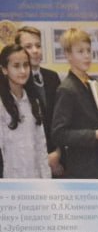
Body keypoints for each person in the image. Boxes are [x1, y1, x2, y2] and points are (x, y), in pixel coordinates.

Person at [50, 28, 98, 179]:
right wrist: (94, 135)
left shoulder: (91, 82)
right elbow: (58, 133)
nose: (87, 56)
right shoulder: (67, 89)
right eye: (80, 51)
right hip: (82, 169)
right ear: (68, 55)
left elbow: (92, 118)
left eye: (88, 50)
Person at [0, 42, 49, 178]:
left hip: (35, 180)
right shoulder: (2, 105)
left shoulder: (34, 102)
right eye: (16, 66)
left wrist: (46, 180)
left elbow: (41, 146)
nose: (22, 71)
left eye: (26, 65)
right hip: (10, 181)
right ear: (4, 69)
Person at [15, 26, 58, 168]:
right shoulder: (15, 83)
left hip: (56, 158)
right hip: (28, 161)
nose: (35, 50)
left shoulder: (52, 77)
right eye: (28, 46)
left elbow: (60, 119)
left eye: (38, 46)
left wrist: (58, 154)